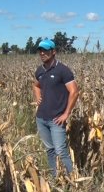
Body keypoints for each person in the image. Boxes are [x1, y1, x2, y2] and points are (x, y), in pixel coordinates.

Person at [32, 39, 79, 177]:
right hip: (41, 118)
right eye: (40, 50)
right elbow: (35, 85)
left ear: (53, 52)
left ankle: (72, 181)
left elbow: (74, 92)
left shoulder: (63, 70)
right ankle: (55, 177)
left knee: (61, 151)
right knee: (50, 150)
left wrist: (66, 114)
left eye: (45, 50)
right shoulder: (40, 70)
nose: (42, 53)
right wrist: (37, 97)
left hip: (56, 119)